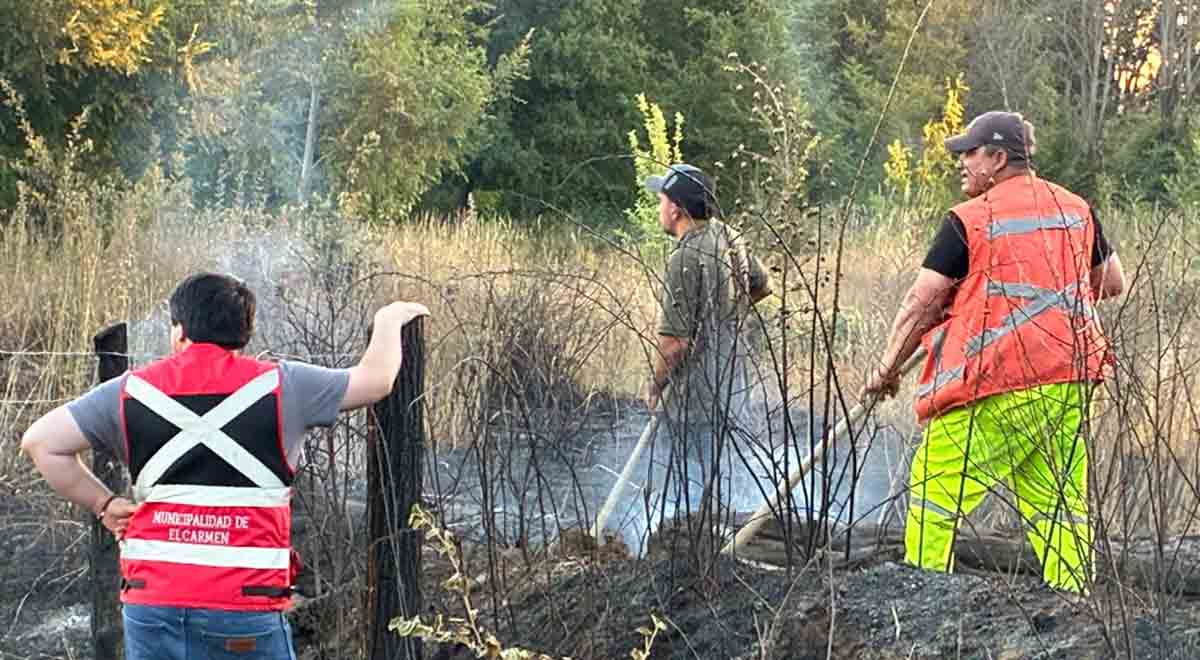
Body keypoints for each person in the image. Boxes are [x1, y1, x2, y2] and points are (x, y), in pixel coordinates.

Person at [20, 272, 429, 659]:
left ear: (180, 331)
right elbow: (376, 380)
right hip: (244, 607)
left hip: (152, 604)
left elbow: (42, 443)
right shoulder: (285, 386)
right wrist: (389, 319)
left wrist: (105, 505)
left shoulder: (129, 391)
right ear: (245, 332)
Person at [863, 111, 1125, 594]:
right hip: (1068, 380)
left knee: (936, 491)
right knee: (1057, 500)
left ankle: (922, 600)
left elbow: (921, 304)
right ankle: (1074, 604)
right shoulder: (1075, 209)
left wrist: (886, 369)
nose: (961, 162)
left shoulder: (970, 220)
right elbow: (1111, 282)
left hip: (996, 384)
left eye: (970, 153)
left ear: (999, 158)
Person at [641, 163, 771, 546]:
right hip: (733, 384)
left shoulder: (684, 258)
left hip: (694, 398)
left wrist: (654, 386)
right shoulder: (729, 236)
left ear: (676, 209)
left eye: (662, 200)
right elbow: (763, 286)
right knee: (722, 475)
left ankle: (694, 552)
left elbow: (675, 344)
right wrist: (725, 318)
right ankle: (726, 543)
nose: (659, 208)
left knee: (690, 485)